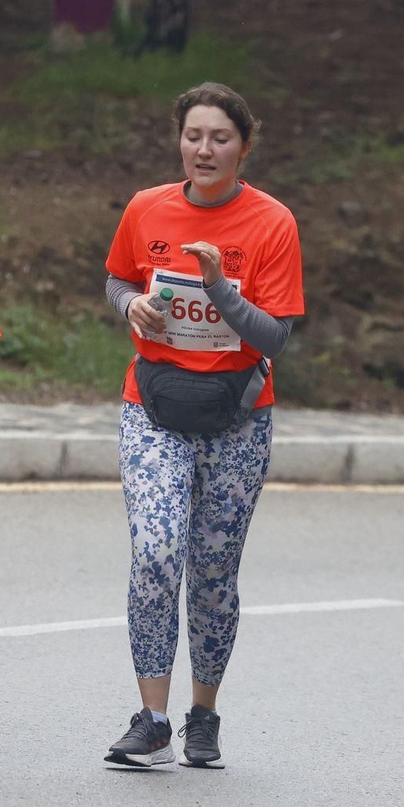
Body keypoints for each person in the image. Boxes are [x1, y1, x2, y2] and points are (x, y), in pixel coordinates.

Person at [101, 82, 305, 768]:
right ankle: (151, 717)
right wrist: (132, 305)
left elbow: (274, 337)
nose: (205, 149)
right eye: (194, 136)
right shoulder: (145, 207)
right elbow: (117, 280)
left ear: (244, 147)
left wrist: (218, 287)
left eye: (220, 137)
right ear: (178, 140)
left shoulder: (272, 222)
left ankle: (203, 715)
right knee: (156, 553)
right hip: (154, 405)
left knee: (214, 572)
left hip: (238, 417)